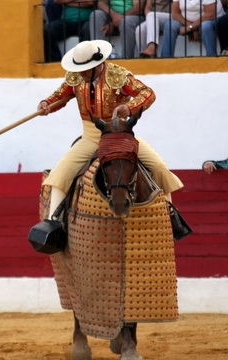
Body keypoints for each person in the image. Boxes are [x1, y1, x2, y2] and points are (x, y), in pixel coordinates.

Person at [36, 40, 183, 224]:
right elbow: (60, 96)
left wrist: (129, 107)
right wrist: (46, 104)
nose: (81, 73)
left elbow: (147, 93)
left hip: (120, 135)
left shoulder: (118, 75)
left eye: (85, 69)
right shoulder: (76, 76)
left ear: (97, 65)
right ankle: (52, 224)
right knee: (60, 173)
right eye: (79, 69)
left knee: (159, 167)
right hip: (91, 137)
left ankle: (170, 220)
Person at [161, 0, 225, 58]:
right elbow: (175, 13)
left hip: (210, 20)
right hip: (187, 21)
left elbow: (210, 14)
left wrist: (190, 27)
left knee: (206, 26)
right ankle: (165, 59)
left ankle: (212, 57)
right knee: (169, 26)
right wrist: (192, 27)